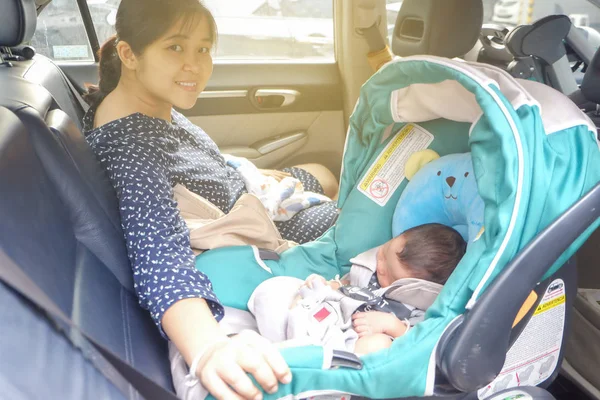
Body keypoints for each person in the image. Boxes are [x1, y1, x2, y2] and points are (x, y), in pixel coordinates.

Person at [80, 0, 340, 398]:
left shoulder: (150, 104)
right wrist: (209, 348)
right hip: (249, 234)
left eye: (203, 49)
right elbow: (158, 252)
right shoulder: (132, 149)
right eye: (176, 48)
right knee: (343, 205)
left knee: (322, 172)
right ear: (129, 54)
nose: (195, 65)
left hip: (246, 198)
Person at [249, 223, 467, 355]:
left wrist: (393, 327)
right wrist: (331, 286)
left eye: (388, 274)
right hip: (327, 317)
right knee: (279, 289)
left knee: (379, 346)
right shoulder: (371, 269)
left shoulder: (419, 307)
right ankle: (290, 345)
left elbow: (424, 342)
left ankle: (308, 361)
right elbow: (348, 285)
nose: (379, 266)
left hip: (347, 346)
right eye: (383, 254)